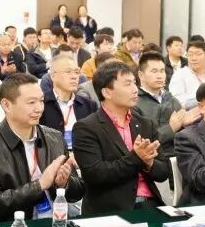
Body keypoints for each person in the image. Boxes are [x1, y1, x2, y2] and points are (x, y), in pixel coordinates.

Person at [0, 74, 83, 223]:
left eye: (41, 101)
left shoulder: (54, 138)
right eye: (31, 102)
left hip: (55, 224)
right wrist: (39, 185)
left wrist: (65, 183)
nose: (39, 108)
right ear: (6, 105)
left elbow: (78, 192)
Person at [73, 61, 171, 214]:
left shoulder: (145, 124)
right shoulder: (86, 127)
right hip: (110, 209)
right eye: (127, 84)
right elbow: (95, 175)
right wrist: (137, 158)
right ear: (107, 92)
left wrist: (149, 163)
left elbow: (163, 172)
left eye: (134, 83)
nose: (135, 89)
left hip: (150, 204)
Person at [136, 52, 199, 159]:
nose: (159, 75)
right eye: (154, 71)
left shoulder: (172, 100)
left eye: (162, 71)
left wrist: (184, 126)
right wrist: (170, 128)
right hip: (151, 160)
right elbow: (143, 142)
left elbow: (184, 138)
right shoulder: (134, 102)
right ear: (141, 75)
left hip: (178, 157)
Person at [39, 55, 97, 147]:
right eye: (68, 72)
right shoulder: (41, 104)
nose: (74, 77)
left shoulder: (89, 105)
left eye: (77, 72)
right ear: (53, 75)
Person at [168, 40, 205, 110]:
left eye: (198, 54)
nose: (194, 58)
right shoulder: (179, 75)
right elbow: (177, 102)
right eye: (190, 54)